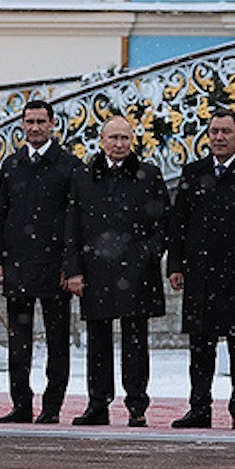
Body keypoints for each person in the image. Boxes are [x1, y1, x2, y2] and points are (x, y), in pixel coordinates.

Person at [167, 108, 235, 429]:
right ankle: (199, 407)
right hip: (199, 274)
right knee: (200, 347)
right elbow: (179, 223)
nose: (219, 137)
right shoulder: (193, 172)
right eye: (214, 131)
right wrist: (176, 264)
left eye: (226, 131)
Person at [64, 115, 169, 427]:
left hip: (138, 272)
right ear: (102, 140)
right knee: (98, 342)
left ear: (132, 140)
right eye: (114, 138)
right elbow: (73, 225)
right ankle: (98, 403)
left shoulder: (149, 175)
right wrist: (73, 269)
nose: (119, 144)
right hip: (96, 271)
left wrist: (149, 254)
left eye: (125, 138)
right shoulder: (83, 177)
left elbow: (163, 223)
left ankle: (137, 406)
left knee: (136, 342)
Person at [0, 100, 77, 424]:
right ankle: (21, 404)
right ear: (22, 124)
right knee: (18, 341)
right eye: (30, 121)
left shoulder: (69, 166)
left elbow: (74, 219)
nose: (35, 127)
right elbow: (0, 215)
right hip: (18, 264)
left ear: (53, 124)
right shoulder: (12, 165)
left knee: (57, 342)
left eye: (41, 121)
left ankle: (52, 406)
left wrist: (71, 265)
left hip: (55, 268)